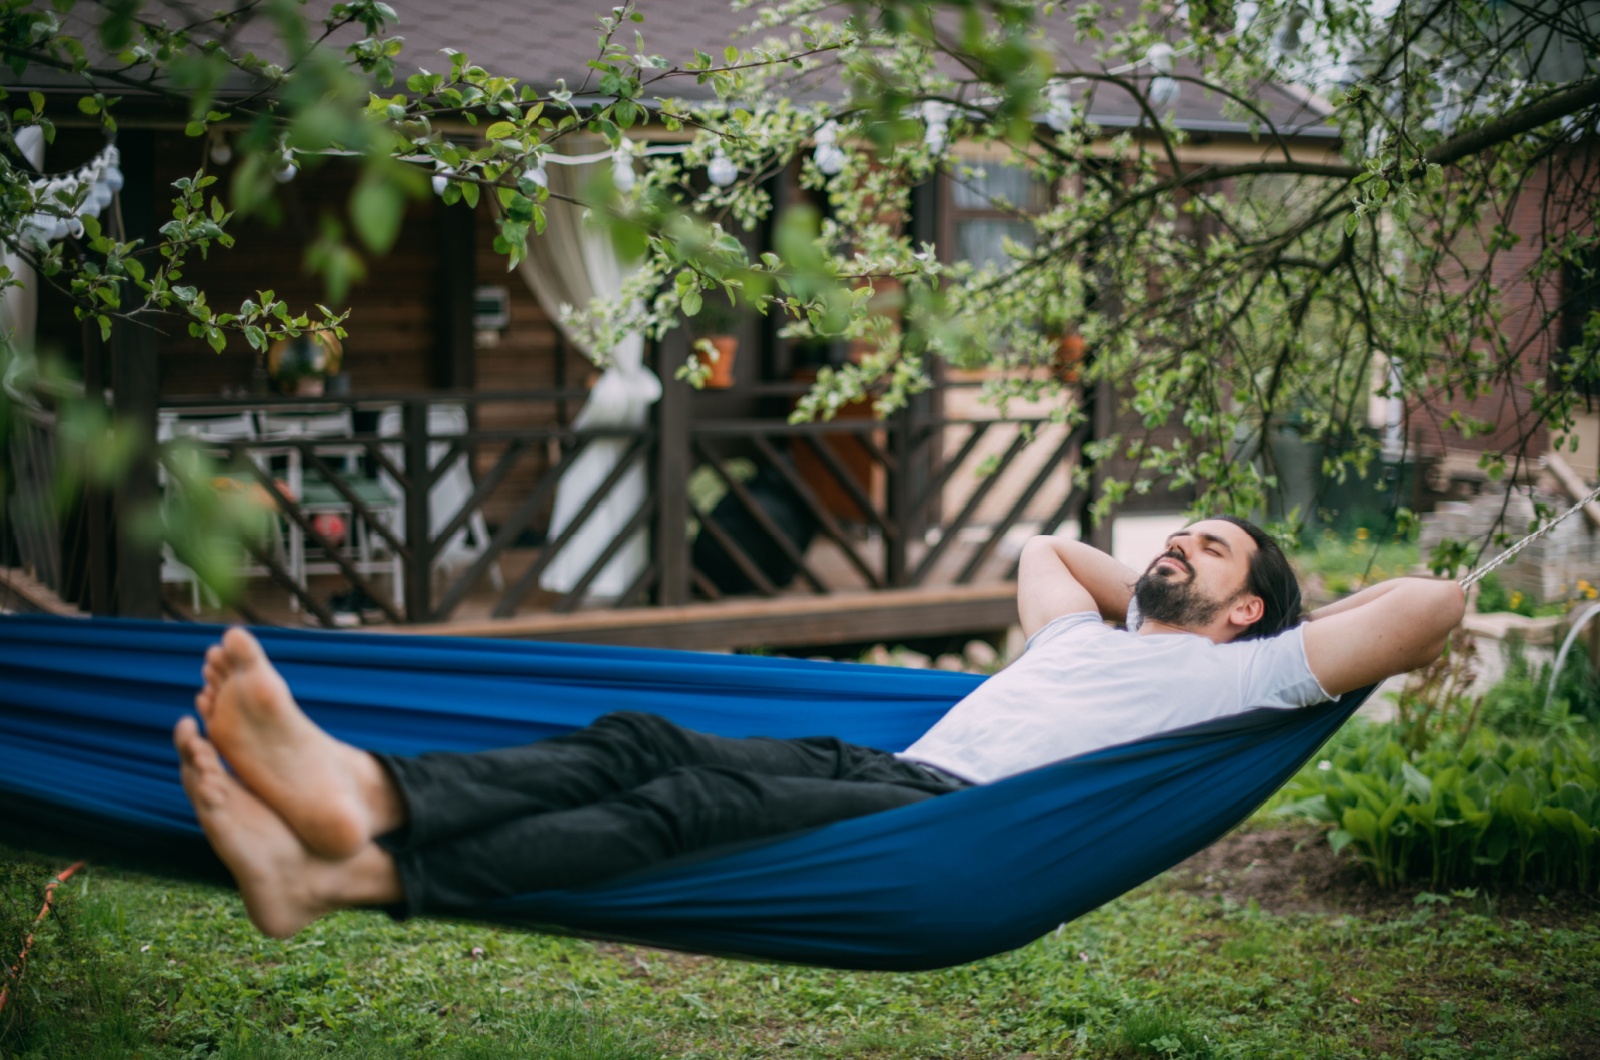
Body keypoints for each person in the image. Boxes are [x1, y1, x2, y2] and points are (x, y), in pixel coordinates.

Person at [174, 517, 1465, 938]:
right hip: (886, 762)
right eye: (1173, 535)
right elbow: (1040, 549)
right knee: (640, 743)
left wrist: (1269, 619)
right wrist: (1154, 588)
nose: (1174, 545)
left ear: (1247, 609)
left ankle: (361, 829)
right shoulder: (1083, 636)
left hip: (955, 825)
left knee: (681, 815)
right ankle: (347, 837)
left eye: (1209, 548)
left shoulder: (1248, 680)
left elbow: (1430, 604)